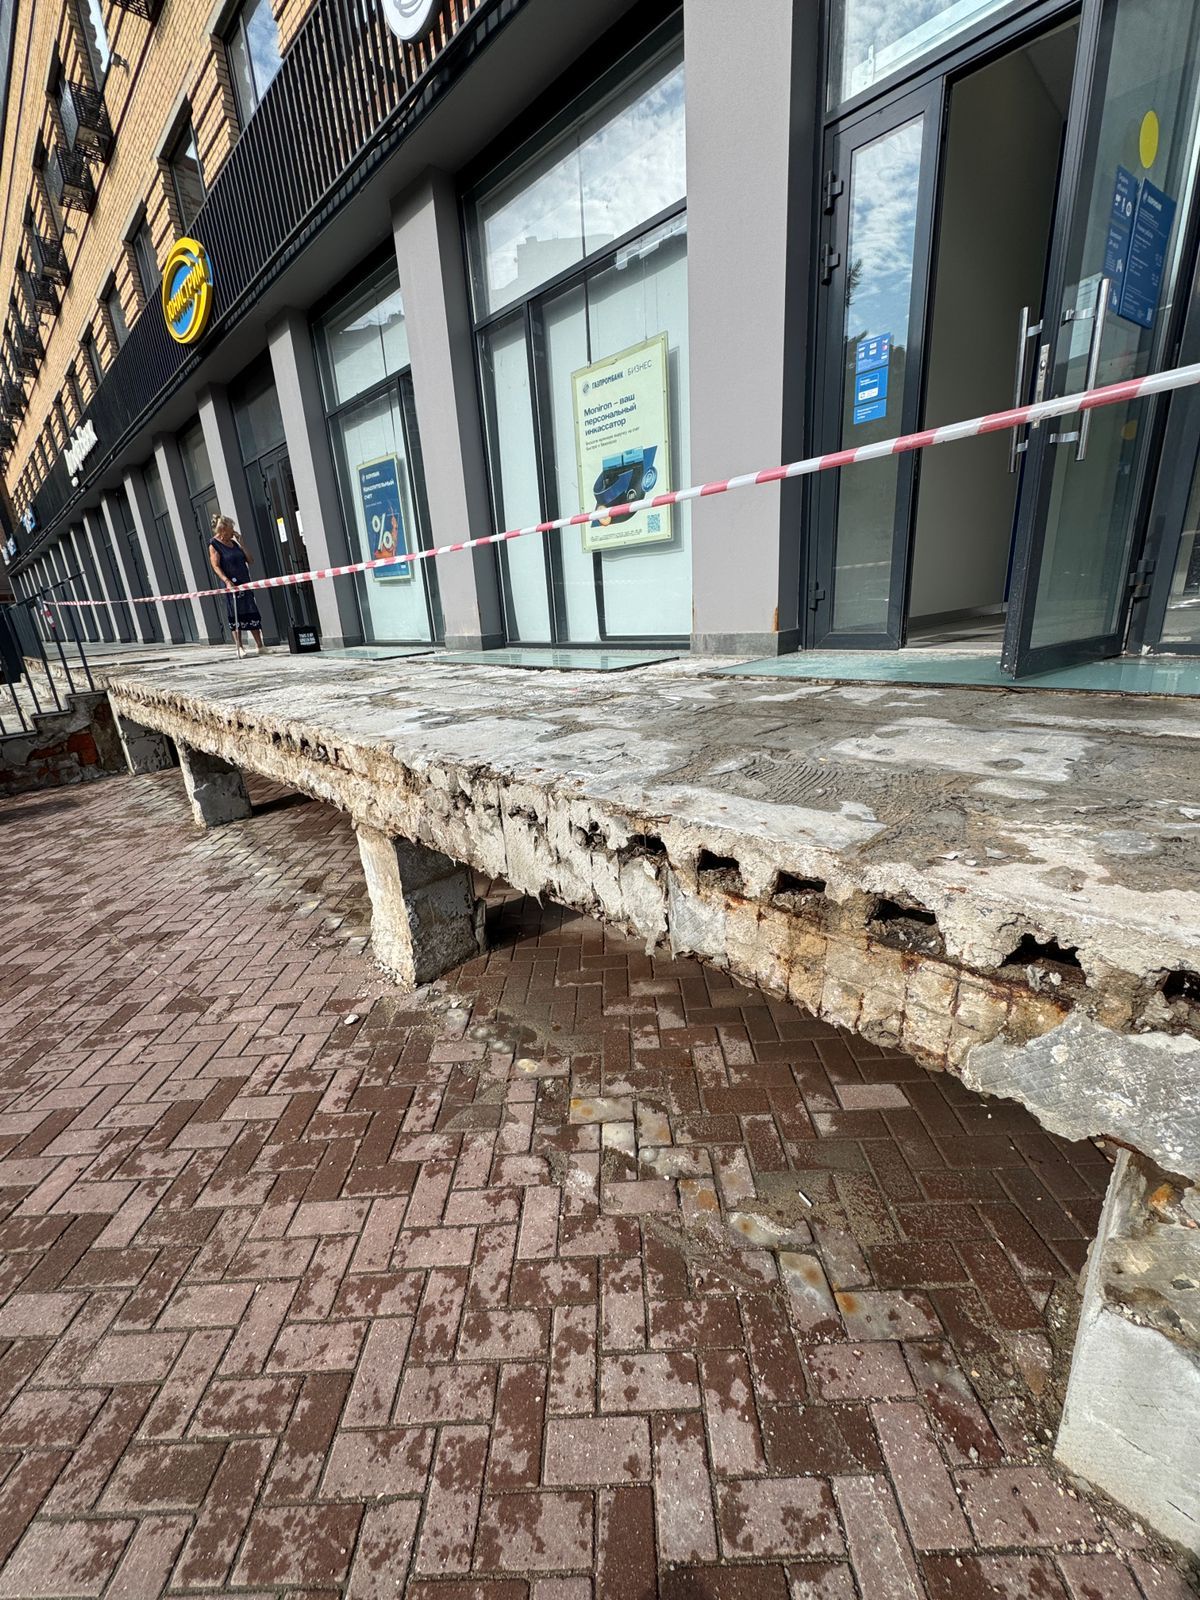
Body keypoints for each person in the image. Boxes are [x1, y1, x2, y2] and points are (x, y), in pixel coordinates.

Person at [208, 514, 267, 656]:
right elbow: (215, 566)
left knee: (251, 612)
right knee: (235, 614)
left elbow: (250, 560)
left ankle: (260, 646)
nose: (233, 531)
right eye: (231, 529)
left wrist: (242, 544)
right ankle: (239, 647)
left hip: (244, 582)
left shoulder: (234, 544)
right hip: (231, 585)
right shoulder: (214, 544)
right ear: (223, 530)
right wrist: (227, 581)